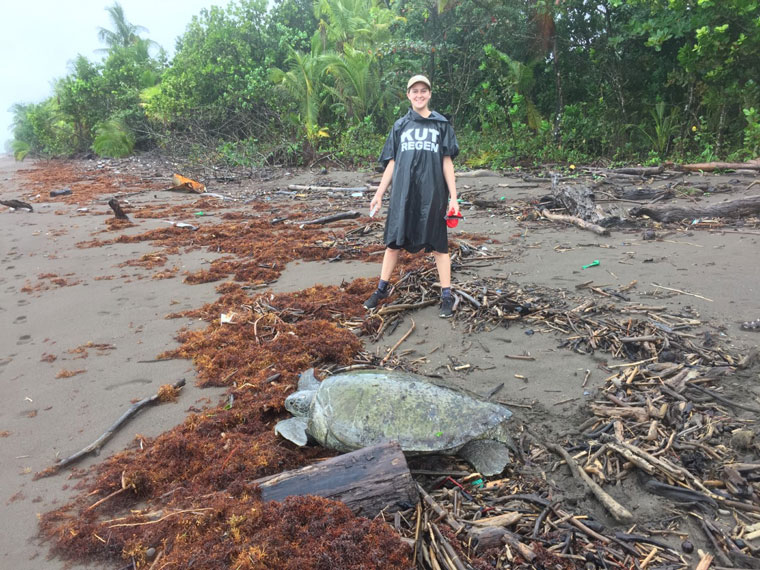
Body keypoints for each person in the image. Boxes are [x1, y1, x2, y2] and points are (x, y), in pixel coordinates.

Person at [364, 74, 460, 318]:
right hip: (403, 194)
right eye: (414, 91)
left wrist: (454, 198)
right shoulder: (400, 126)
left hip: (433, 194)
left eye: (423, 91)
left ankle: (446, 295)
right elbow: (392, 163)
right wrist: (379, 194)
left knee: (439, 245)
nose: (419, 95)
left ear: (429, 94)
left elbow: (447, 162)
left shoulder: (441, 125)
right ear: (408, 95)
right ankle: (381, 289)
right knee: (393, 242)